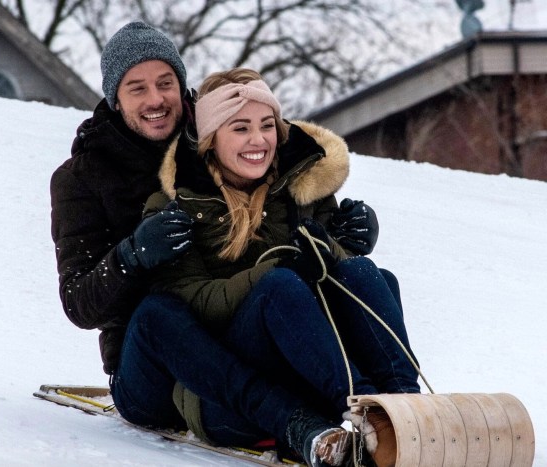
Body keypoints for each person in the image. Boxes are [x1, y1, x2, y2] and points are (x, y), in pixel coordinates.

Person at [50, 22, 390, 467]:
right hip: (153, 366)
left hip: (238, 333)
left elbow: (288, 190)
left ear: (182, 84)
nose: (155, 99)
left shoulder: (223, 127)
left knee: (356, 280)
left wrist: (346, 235)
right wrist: (132, 256)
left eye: (165, 82)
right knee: (158, 313)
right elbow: (78, 302)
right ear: (116, 98)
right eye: (137, 88)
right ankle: (296, 422)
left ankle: (393, 412)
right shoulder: (81, 178)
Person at [141, 68, 422, 466]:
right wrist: (275, 269)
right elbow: (189, 304)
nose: (258, 140)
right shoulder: (174, 210)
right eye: (240, 128)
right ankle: (370, 414)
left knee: (365, 273)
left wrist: (337, 249)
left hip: (310, 373)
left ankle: (406, 406)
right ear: (210, 140)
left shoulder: (303, 190)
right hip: (228, 396)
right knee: (280, 287)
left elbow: (337, 285)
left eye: (267, 125)